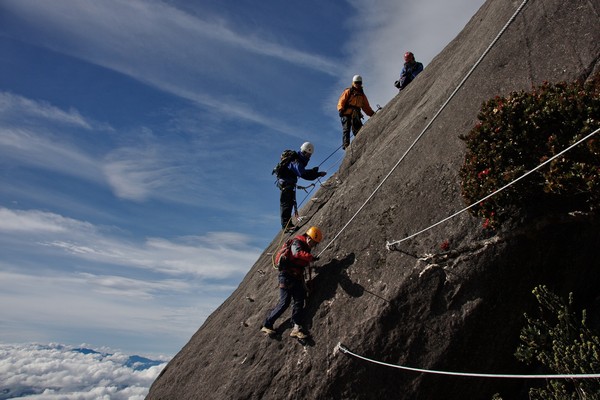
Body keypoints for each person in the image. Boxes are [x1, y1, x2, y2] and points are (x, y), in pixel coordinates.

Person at [261, 226, 323, 339]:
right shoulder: (297, 242)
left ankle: (296, 328)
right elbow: (296, 254)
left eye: (315, 244)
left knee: (299, 301)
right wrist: (310, 257)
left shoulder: (305, 247)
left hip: (296, 277)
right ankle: (267, 324)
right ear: (308, 237)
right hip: (286, 276)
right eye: (313, 242)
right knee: (285, 302)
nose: (312, 245)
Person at [277, 142, 326, 232]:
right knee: (287, 204)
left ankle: (287, 225)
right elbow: (303, 174)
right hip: (286, 185)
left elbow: (301, 171)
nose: (309, 157)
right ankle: (286, 226)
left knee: (289, 203)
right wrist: (317, 174)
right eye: (309, 154)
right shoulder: (296, 161)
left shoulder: (297, 160)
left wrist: (313, 171)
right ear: (304, 152)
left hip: (288, 184)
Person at [337, 75, 375, 150]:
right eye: (356, 83)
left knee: (358, 129)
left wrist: (371, 114)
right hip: (347, 113)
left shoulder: (362, 95)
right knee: (346, 129)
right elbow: (341, 100)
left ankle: (361, 143)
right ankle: (346, 145)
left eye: (359, 83)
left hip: (356, 114)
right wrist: (341, 109)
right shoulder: (348, 91)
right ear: (353, 83)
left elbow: (366, 107)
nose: (358, 84)